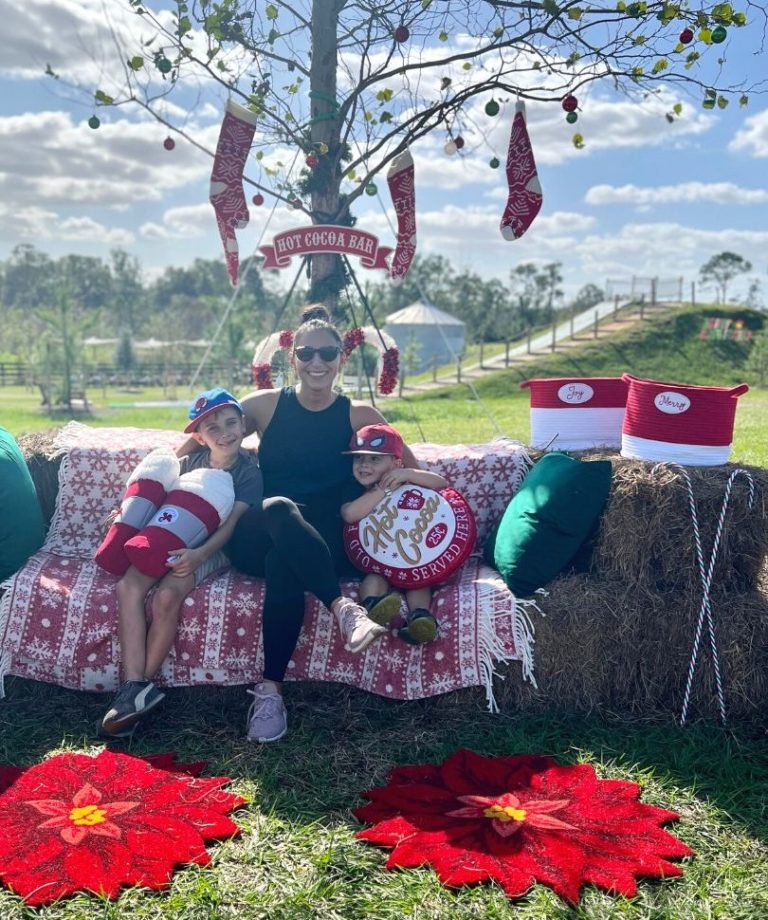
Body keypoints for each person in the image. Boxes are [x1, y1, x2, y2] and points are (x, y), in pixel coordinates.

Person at [189, 304, 419, 744]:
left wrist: (397, 478)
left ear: (342, 359)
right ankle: (343, 609)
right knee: (277, 508)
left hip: (326, 541)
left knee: (286, 561)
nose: (317, 362)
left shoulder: (361, 415)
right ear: (291, 357)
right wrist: (155, 490)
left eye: (327, 353)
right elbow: (198, 438)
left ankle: (270, 690)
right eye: (307, 353)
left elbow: (408, 466)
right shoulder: (265, 406)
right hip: (260, 530)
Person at [100, 388, 263, 739]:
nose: (224, 434)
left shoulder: (249, 472)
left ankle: (134, 694)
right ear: (199, 437)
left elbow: (232, 523)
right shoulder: (189, 464)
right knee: (128, 585)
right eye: (212, 429)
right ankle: (135, 688)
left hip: (211, 548)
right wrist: (125, 518)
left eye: (231, 423)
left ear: (243, 424)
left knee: (165, 597)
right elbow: (156, 503)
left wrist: (199, 555)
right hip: (167, 538)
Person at [341, 422, 448, 644]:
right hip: (375, 559)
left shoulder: (407, 483)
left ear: (395, 464)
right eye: (358, 458)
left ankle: (420, 617)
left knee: (418, 581)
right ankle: (373, 605)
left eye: (375, 459)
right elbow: (350, 514)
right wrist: (382, 490)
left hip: (411, 555)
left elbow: (441, 484)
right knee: (374, 578)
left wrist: (409, 473)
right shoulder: (352, 489)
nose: (364, 465)